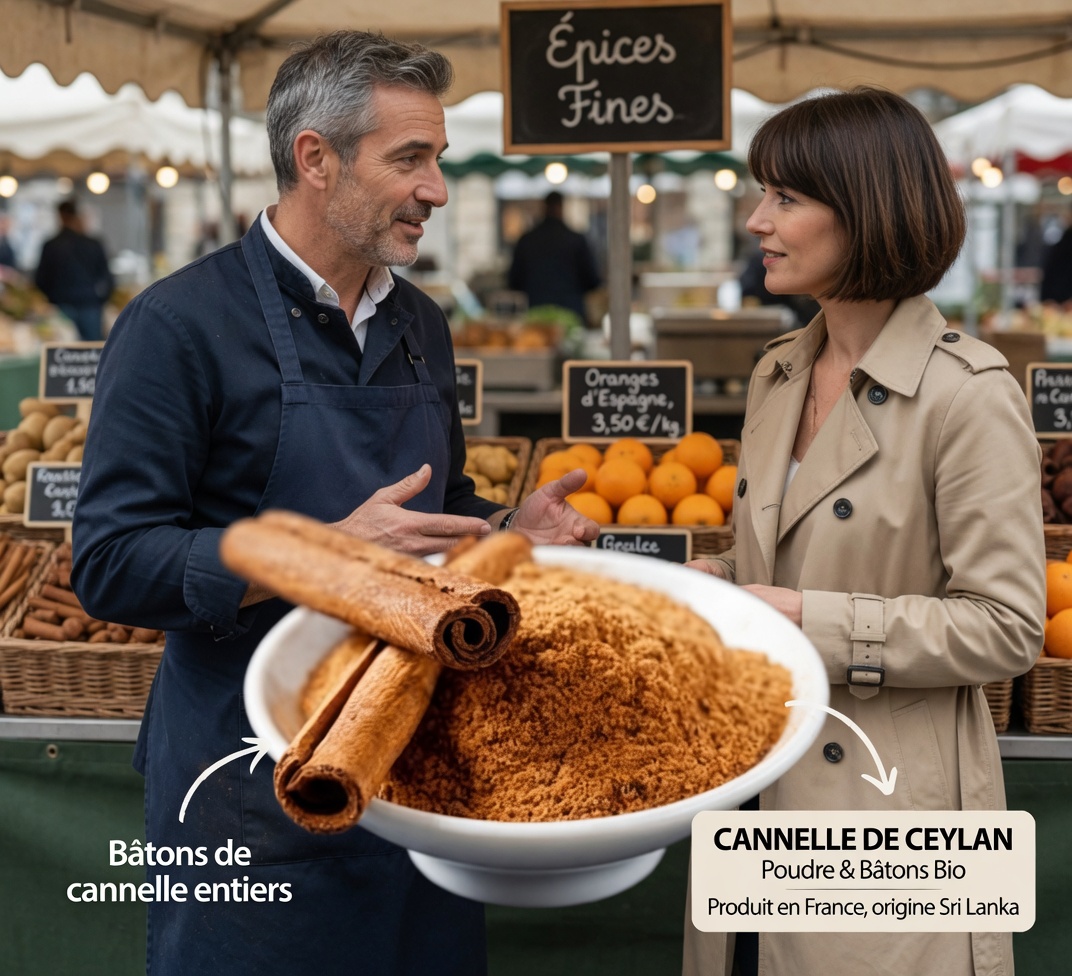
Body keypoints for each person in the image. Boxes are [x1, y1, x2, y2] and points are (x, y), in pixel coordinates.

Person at [70, 31, 597, 976]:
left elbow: (437, 509)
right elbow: (110, 561)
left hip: (418, 777)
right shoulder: (175, 326)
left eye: (434, 159)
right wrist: (320, 551)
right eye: (411, 160)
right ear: (315, 158)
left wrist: (510, 533)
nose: (436, 188)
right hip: (244, 783)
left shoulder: (420, 325)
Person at [682, 87, 1045, 976]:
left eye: (787, 199)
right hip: (753, 786)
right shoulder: (778, 372)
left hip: (886, 813)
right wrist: (663, 578)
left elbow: (1007, 626)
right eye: (762, 192)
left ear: (869, 211)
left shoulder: (968, 394)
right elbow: (771, 558)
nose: (756, 218)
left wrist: (807, 618)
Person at [508, 190, 601, 322]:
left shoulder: (527, 240)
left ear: (544, 207)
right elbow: (592, 280)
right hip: (571, 312)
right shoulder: (576, 240)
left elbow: (513, 281)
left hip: (535, 312)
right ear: (561, 207)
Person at [34, 198, 114, 340]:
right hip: (90, 304)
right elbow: (108, 277)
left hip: (61, 305)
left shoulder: (51, 245)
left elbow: (41, 279)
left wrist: (51, 299)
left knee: (64, 353)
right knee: (92, 353)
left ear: (61, 216)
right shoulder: (93, 243)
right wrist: (100, 299)